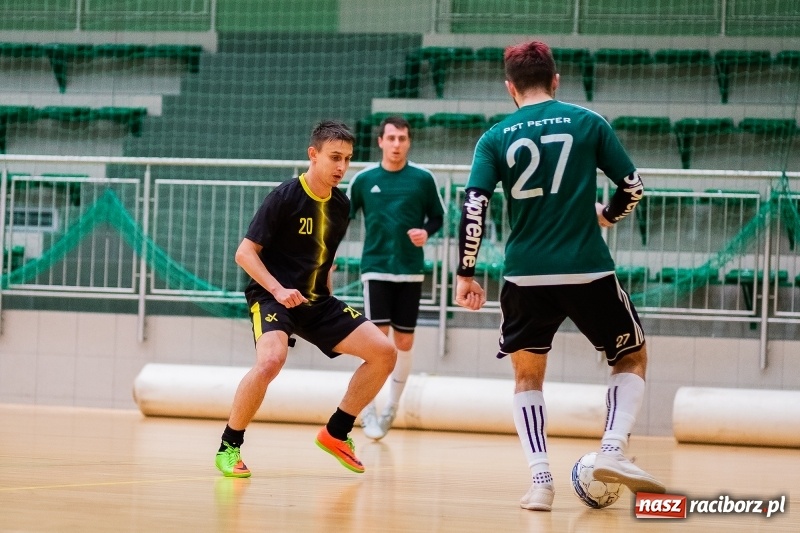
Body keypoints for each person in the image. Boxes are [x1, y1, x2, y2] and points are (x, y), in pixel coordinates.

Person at [453, 40, 666, 511]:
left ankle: (541, 483)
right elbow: (633, 187)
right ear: (555, 80)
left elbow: (474, 206)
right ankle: (612, 449)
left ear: (510, 87)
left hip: (524, 275)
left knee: (527, 377)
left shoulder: (494, 137)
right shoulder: (588, 122)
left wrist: (466, 271)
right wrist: (607, 215)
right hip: (587, 268)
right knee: (630, 356)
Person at [215, 120, 397, 477]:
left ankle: (336, 433)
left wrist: (329, 299)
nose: (342, 166)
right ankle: (228, 445)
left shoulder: (341, 205)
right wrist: (278, 290)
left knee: (384, 353)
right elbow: (244, 253)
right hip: (273, 296)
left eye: (347, 159)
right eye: (335, 157)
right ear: (313, 155)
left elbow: (325, 257)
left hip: (315, 301)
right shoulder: (284, 197)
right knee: (271, 361)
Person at [347, 116, 445, 440]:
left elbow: (437, 217)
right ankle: (366, 408)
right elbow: (341, 218)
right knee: (377, 342)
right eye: (391, 138)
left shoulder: (423, 178)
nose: (396, 144)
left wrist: (426, 232)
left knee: (404, 342)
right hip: (376, 268)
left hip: (410, 270)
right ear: (380, 141)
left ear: (409, 141)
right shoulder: (363, 180)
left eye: (402, 138)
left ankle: (391, 406)